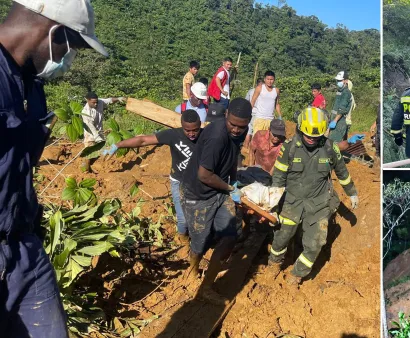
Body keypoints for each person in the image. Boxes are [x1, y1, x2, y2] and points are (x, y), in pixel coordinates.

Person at [0, 0, 109, 335]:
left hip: (22, 244)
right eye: (71, 46)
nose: (68, 59)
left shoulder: (32, 87)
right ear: (53, 32)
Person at [267, 107, 359, 285]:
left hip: (319, 203)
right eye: (307, 135)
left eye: (315, 137)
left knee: (316, 241)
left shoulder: (330, 148)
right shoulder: (289, 147)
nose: (311, 139)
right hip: (291, 202)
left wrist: (352, 194)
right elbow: (278, 177)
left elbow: (342, 172)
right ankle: (274, 264)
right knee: (282, 237)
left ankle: (296, 275)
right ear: (300, 129)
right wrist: (273, 205)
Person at [103, 110, 202, 244]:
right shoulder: (173, 135)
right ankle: (183, 240)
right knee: (183, 219)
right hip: (178, 182)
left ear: (200, 125)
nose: (191, 134)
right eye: (187, 130)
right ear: (181, 126)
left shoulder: (206, 136)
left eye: (195, 130)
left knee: (200, 216)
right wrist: (117, 145)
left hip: (199, 182)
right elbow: (143, 140)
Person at [181, 98, 251, 281]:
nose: (236, 130)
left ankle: (208, 284)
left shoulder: (241, 132)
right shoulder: (216, 136)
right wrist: (229, 188)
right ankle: (193, 272)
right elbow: (204, 175)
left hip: (219, 190)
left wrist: (234, 180)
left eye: (241, 127)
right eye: (232, 124)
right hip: (198, 193)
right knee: (199, 242)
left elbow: (234, 154)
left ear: (248, 122)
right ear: (226, 115)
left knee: (230, 236)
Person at [329, 71, 353, 143]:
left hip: (339, 122)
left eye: (340, 80)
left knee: (334, 144)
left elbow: (342, 109)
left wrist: (335, 121)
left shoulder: (346, 92)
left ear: (345, 81)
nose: (338, 82)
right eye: (337, 80)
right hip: (334, 120)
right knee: (329, 142)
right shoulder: (340, 91)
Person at [243, 78, 264, 149]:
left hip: (251, 111)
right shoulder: (263, 92)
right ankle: (253, 148)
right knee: (256, 131)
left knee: (249, 130)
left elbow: (246, 101)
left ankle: (246, 146)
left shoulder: (250, 91)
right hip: (259, 113)